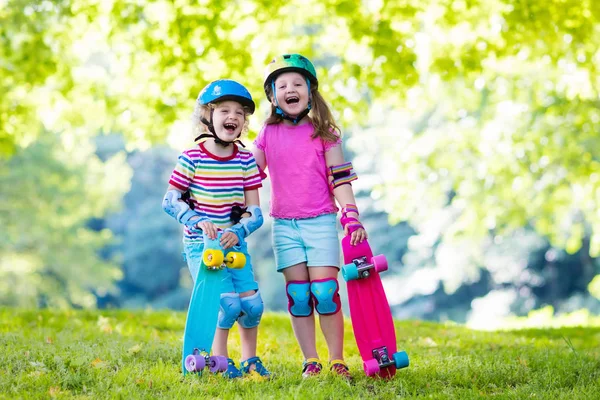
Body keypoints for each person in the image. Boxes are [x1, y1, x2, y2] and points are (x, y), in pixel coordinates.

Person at [253, 54, 367, 379]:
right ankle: (311, 361)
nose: (291, 89)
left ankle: (337, 359)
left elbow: (340, 178)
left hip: (320, 222)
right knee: (299, 296)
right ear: (274, 96)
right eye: (283, 85)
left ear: (310, 91)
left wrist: (352, 214)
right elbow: (249, 174)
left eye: (298, 83)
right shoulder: (267, 133)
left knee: (324, 292)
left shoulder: (325, 132)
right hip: (284, 225)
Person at [162, 79, 271, 379]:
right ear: (207, 116)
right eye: (225, 110)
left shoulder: (246, 160)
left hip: (234, 244)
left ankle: (251, 360)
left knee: (252, 305)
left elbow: (256, 212)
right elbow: (170, 201)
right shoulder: (192, 158)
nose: (233, 117)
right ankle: (221, 362)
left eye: (240, 112)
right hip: (202, 245)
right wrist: (197, 220)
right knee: (227, 304)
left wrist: (239, 231)